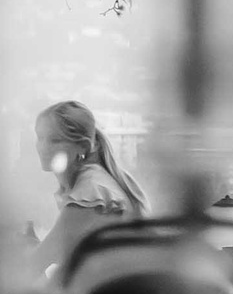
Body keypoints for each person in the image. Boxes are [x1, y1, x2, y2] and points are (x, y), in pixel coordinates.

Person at [31, 99, 148, 281]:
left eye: (55, 140)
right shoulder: (94, 181)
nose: (43, 147)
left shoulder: (91, 194)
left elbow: (38, 262)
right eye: (40, 137)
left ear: (83, 147)